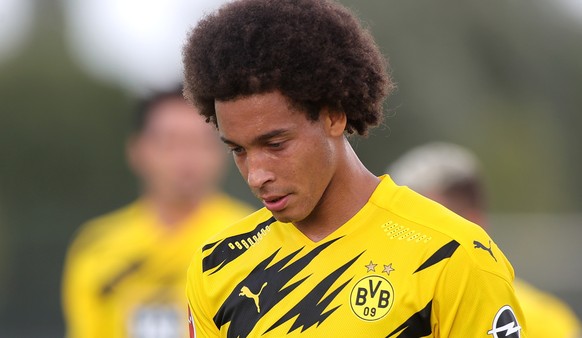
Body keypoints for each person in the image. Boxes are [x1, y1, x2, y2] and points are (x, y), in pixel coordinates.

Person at [182, 0, 526, 336]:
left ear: (334, 115)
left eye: (276, 144)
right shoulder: (216, 266)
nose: (256, 174)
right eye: (238, 150)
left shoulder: (452, 254)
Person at [62, 87, 252, 338]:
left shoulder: (254, 239)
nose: (186, 158)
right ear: (137, 150)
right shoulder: (96, 247)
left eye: (200, 142)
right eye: (170, 143)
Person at [388, 141, 582, 338]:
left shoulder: (543, 323)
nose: (406, 232)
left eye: (429, 220)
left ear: (474, 222)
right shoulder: (378, 303)